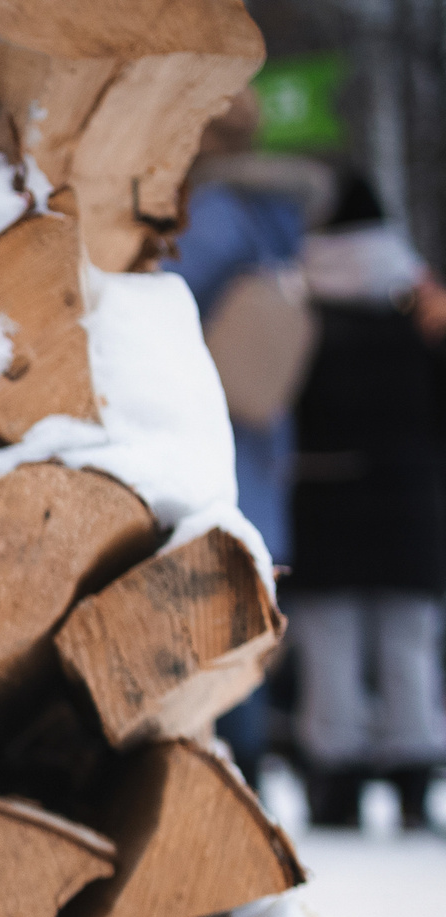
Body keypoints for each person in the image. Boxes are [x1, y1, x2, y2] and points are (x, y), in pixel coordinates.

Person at [163, 93, 331, 785]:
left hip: (206, 448)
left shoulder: (213, 216)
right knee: (247, 628)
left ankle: (220, 789)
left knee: (208, 637)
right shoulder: (280, 222)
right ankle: (245, 786)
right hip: (262, 455)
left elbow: (167, 303)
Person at [283, 172, 446, 828]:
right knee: (409, 644)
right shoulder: (422, 311)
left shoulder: (297, 308)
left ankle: (336, 781)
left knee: (331, 646)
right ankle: (413, 777)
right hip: (410, 501)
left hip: (325, 500)